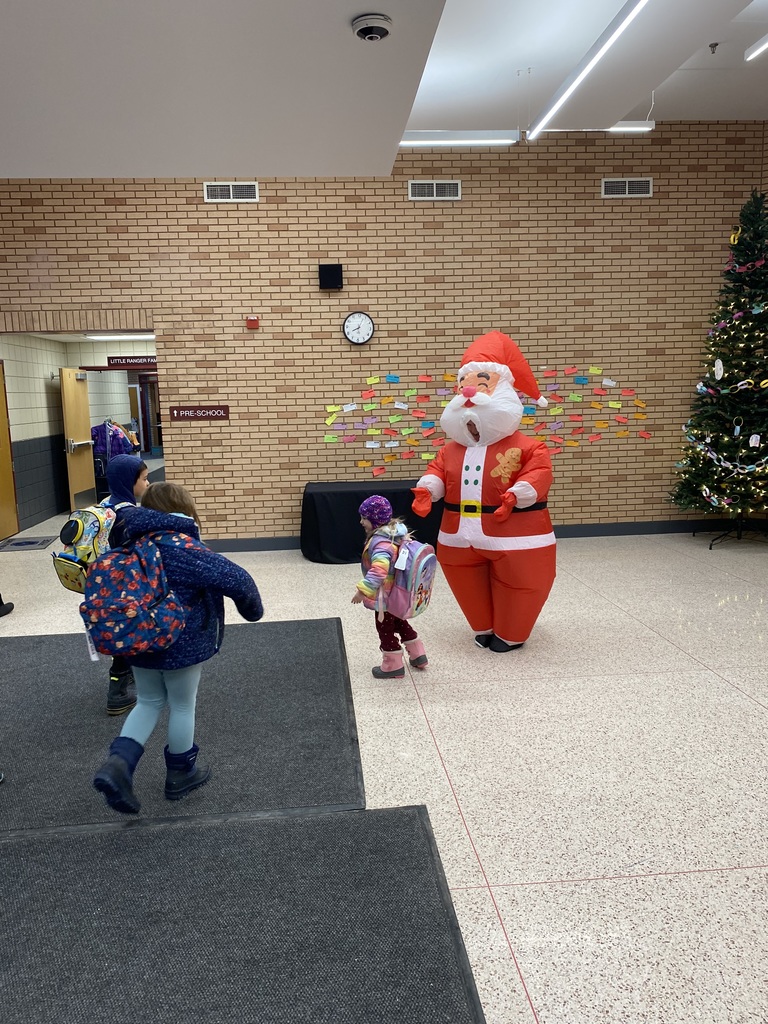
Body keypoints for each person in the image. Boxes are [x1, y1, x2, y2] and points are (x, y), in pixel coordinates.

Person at [92, 481, 264, 815]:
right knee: (183, 704)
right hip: (180, 641)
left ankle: (118, 764)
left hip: (138, 639)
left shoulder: (133, 542)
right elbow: (238, 580)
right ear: (183, 509)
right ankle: (181, 773)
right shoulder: (185, 546)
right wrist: (252, 611)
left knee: (149, 701)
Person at [412, 330, 556, 652]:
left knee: (522, 582)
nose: (472, 427)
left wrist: (519, 492)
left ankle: (511, 632)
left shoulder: (530, 446)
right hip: (457, 536)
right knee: (466, 582)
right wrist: (429, 488)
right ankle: (485, 625)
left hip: (516, 535)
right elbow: (437, 473)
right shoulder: (448, 450)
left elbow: (539, 474)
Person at [351, 495, 428, 679]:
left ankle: (392, 665)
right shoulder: (396, 534)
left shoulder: (381, 543)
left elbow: (379, 571)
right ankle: (418, 654)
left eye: (364, 518)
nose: (361, 522)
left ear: (375, 520)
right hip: (397, 592)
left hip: (385, 596)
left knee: (384, 628)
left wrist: (362, 591)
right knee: (399, 622)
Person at [102, 454, 150, 716]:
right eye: (143, 479)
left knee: (124, 630)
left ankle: (127, 675)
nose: (147, 483)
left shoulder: (107, 506)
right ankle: (117, 691)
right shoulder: (129, 515)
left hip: (107, 583)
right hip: (126, 585)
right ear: (128, 482)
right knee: (127, 632)